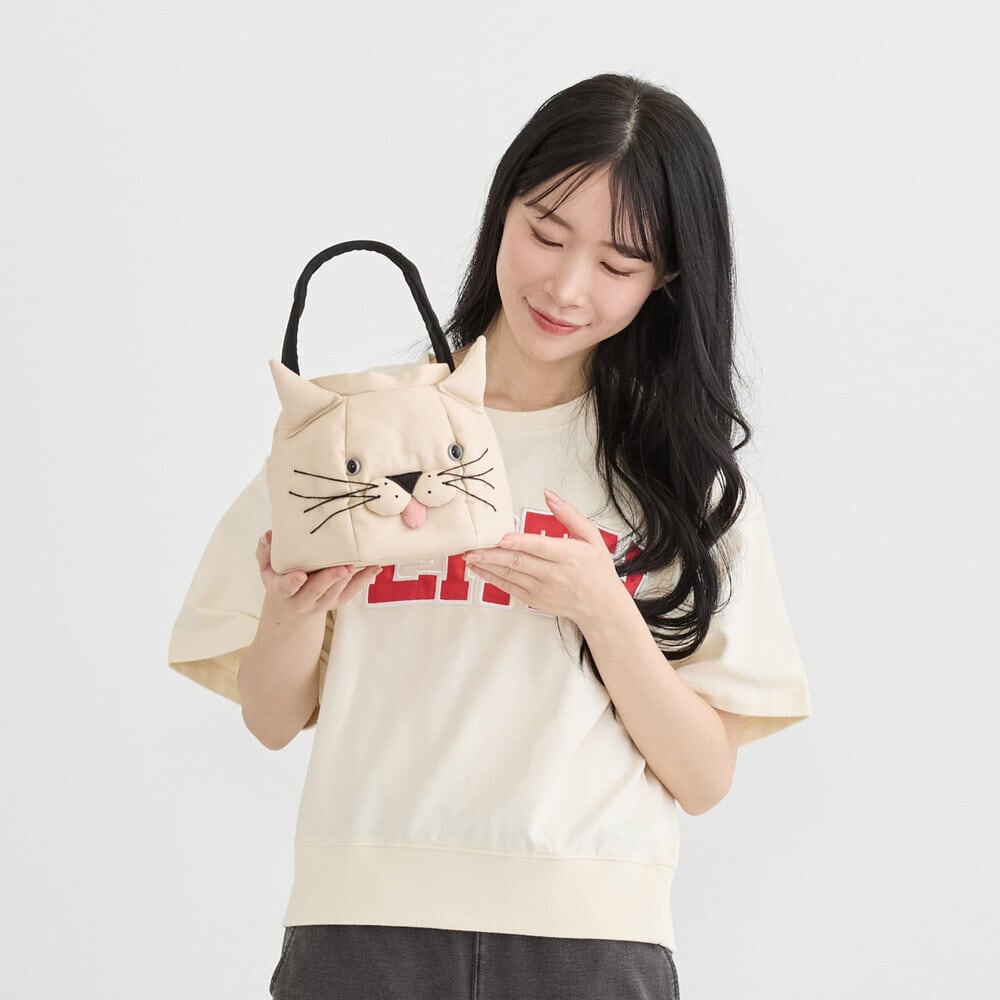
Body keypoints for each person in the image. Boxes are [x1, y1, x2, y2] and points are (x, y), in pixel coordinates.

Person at [168, 72, 812, 1000]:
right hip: (363, 927)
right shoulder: (354, 431)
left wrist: (601, 607)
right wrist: (292, 607)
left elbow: (704, 778)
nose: (566, 285)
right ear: (502, 208)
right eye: (545, 233)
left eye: (619, 264)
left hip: (589, 941)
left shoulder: (679, 477)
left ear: (667, 278)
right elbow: (271, 720)